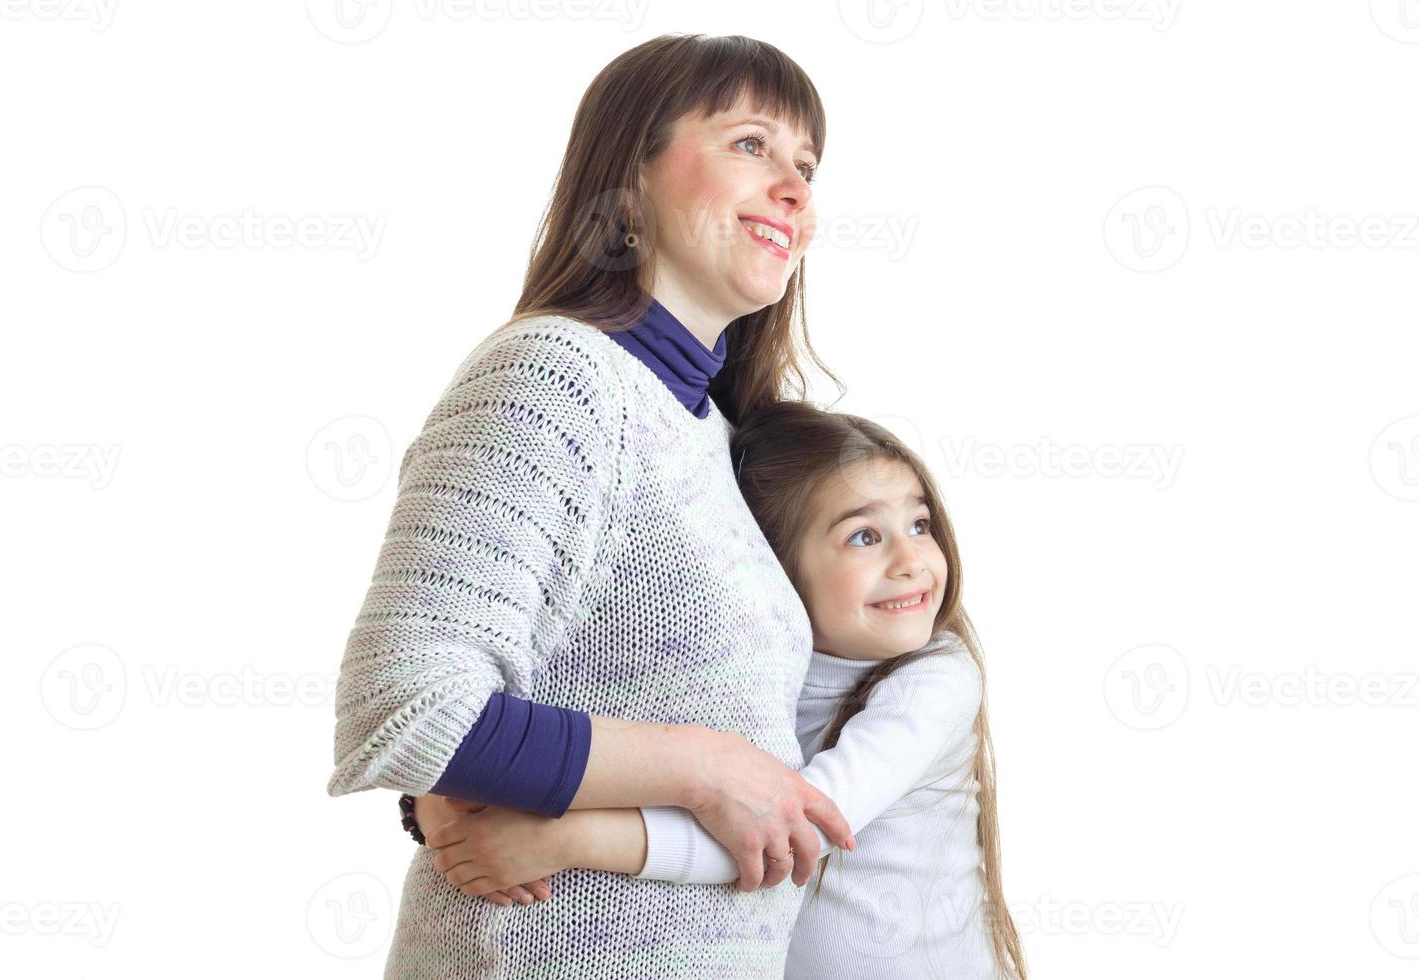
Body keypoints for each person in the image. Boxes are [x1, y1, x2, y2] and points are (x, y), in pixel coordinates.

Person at [326, 34, 859, 979]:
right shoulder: (554, 379)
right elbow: (407, 707)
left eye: (807, 167)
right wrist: (713, 765)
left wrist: (476, 784)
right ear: (627, 184)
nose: (795, 190)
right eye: (750, 145)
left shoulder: (714, 438)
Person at [419, 403, 1030, 979]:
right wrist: (442, 791)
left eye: (919, 524)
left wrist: (565, 838)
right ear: (773, 568)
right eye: (864, 537)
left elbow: (786, 834)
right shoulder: (740, 671)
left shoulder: (936, 677)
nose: (912, 560)